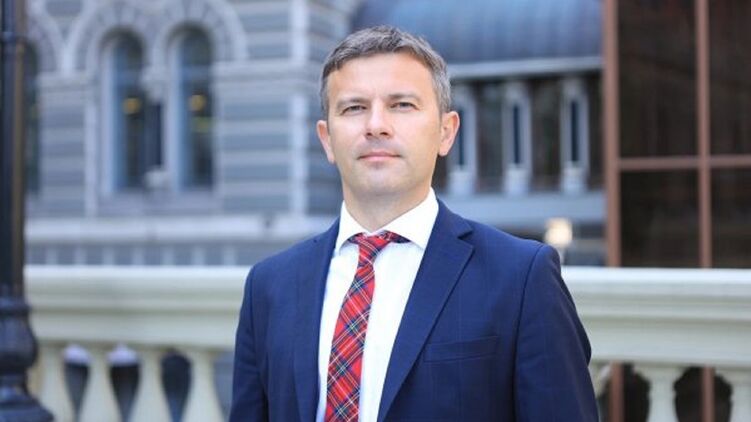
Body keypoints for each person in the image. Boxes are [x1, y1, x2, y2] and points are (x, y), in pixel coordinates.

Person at [230, 25, 598, 422]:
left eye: (402, 105)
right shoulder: (269, 287)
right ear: (327, 139)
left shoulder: (521, 278)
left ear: (446, 132)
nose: (376, 125)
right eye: (354, 108)